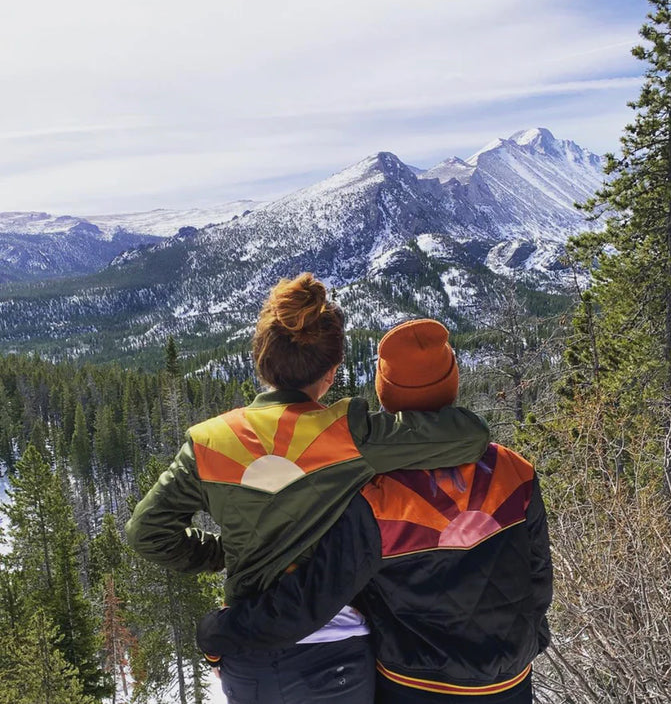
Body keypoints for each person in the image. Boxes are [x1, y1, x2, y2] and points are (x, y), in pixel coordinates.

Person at [126, 275, 490, 704]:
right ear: (332, 372)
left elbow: (146, 533)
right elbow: (470, 435)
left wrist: (222, 551)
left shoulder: (208, 441)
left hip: (250, 651)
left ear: (261, 364)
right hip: (337, 656)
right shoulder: (350, 435)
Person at [198, 318, 553, 704]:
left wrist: (223, 631)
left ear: (386, 396)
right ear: (452, 384)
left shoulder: (374, 496)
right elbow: (537, 575)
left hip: (414, 684)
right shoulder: (514, 471)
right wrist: (531, 638)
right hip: (510, 679)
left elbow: (313, 598)